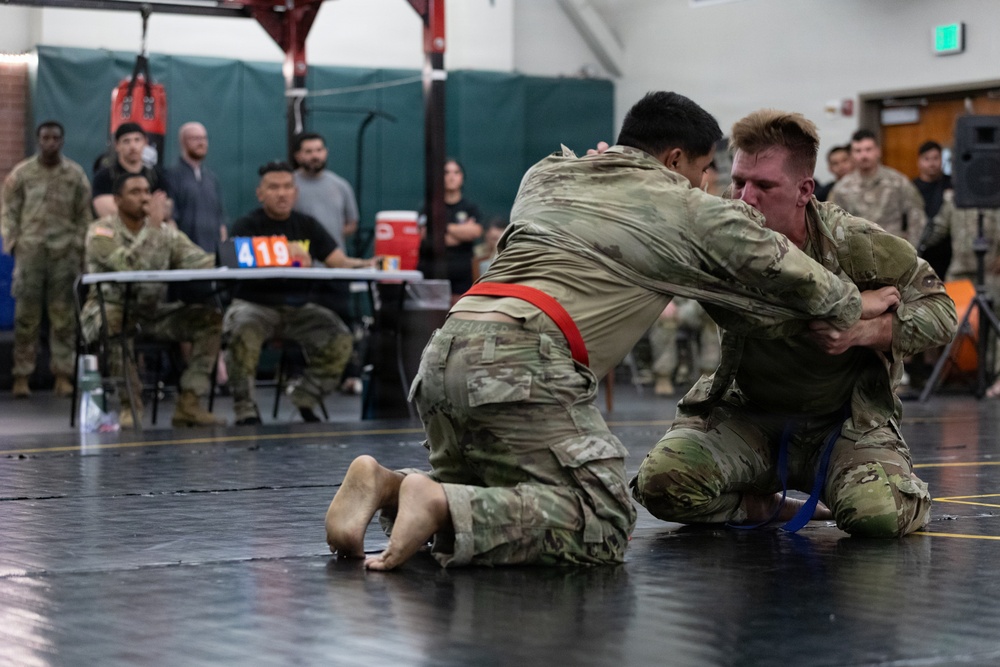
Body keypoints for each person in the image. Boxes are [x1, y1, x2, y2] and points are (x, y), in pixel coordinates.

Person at [324, 91, 884, 572]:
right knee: (604, 520)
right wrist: (861, 301)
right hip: (525, 361)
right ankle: (441, 504)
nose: (708, 185)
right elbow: (806, 286)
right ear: (674, 158)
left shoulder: (544, 174)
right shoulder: (689, 209)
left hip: (448, 351)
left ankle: (392, 489)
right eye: (704, 170)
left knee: (506, 494)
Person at [631, 110, 957, 538]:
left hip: (842, 423)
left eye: (764, 186)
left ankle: (853, 489)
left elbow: (942, 314)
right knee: (663, 485)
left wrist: (866, 331)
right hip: (750, 415)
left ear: (804, 191)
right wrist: (854, 305)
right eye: (739, 181)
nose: (746, 197)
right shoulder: (718, 235)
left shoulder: (856, 244)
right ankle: (763, 505)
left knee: (878, 514)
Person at [223, 162, 377, 426]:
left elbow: (338, 261)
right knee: (242, 329)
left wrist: (371, 263)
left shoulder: (307, 225)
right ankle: (245, 408)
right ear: (261, 193)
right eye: (273, 187)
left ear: (295, 192)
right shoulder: (246, 224)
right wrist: (284, 255)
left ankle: (305, 396)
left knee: (340, 338)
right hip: (255, 305)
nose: (281, 193)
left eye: (286, 187)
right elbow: (231, 258)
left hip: (298, 309)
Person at [81, 173, 223, 429]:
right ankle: (130, 406)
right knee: (115, 323)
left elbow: (198, 260)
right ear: (117, 199)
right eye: (135, 192)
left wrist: (237, 259)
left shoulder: (166, 232)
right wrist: (154, 227)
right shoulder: (101, 232)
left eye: (147, 191)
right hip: (108, 309)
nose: (144, 198)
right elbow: (127, 266)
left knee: (210, 320)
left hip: (151, 312)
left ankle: (189, 404)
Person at [1, 121, 92, 398]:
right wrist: (13, 242)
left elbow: (84, 215)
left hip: (64, 255)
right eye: (45, 138)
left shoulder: (75, 175)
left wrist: (77, 246)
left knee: (63, 318)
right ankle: (22, 376)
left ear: (62, 141)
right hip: (31, 253)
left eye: (55, 138)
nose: (50, 142)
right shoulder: (22, 174)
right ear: (38, 140)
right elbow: (9, 211)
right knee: (26, 317)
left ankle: (63, 374)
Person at [921, 193, 1000, 397]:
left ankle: (996, 376)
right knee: (952, 320)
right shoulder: (953, 199)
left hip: (993, 271)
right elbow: (937, 229)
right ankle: (956, 373)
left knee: (996, 321)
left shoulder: (995, 197)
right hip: (960, 271)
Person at [829, 129, 927, 247]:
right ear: (852, 155)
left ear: (878, 151)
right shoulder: (842, 188)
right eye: (858, 151)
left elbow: (917, 214)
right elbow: (832, 224)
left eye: (868, 149)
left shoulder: (897, 182)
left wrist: (911, 248)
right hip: (859, 254)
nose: (863, 155)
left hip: (893, 252)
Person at [418, 158, 483, 300]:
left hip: (462, 277)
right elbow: (425, 236)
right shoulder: (429, 208)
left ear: (462, 177)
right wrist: (460, 232)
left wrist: (443, 226)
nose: (451, 176)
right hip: (432, 274)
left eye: (456, 172)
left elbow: (474, 232)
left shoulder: (470, 208)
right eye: (446, 172)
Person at [166, 122, 227, 254]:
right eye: (195, 138)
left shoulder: (211, 178)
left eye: (204, 138)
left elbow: (220, 220)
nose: (201, 143)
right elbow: (170, 219)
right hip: (187, 257)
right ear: (182, 142)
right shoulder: (172, 176)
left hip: (212, 254)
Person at [91, 123, 170, 225]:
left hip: (151, 234)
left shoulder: (156, 175)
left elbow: (167, 209)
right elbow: (107, 211)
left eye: (137, 140)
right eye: (126, 141)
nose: (132, 146)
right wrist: (150, 207)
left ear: (145, 143)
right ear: (117, 145)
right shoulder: (105, 176)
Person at [913, 140, 954, 279]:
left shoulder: (952, 184)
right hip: (922, 250)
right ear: (919, 161)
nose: (932, 163)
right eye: (927, 159)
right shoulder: (911, 188)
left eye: (936, 158)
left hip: (948, 250)